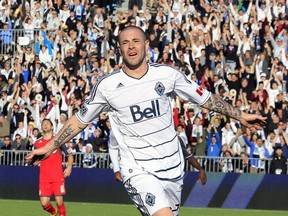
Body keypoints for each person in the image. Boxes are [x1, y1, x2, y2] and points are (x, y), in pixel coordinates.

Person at [26, 26, 266, 216]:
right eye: (125, 43)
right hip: (138, 170)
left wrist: (241, 115)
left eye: (136, 41)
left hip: (173, 169)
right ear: (119, 49)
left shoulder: (168, 75)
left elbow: (204, 98)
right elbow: (79, 120)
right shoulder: (108, 87)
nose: (131, 47)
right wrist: (51, 145)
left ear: (146, 45)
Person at [34, 119, 73, 216]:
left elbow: (70, 154)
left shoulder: (58, 141)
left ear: (52, 127)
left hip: (57, 177)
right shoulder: (37, 143)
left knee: (59, 203)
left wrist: (69, 167)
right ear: (41, 128)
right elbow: (35, 158)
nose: (45, 125)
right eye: (43, 124)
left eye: (47, 124)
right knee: (44, 204)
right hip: (44, 178)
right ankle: (53, 212)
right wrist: (35, 161)